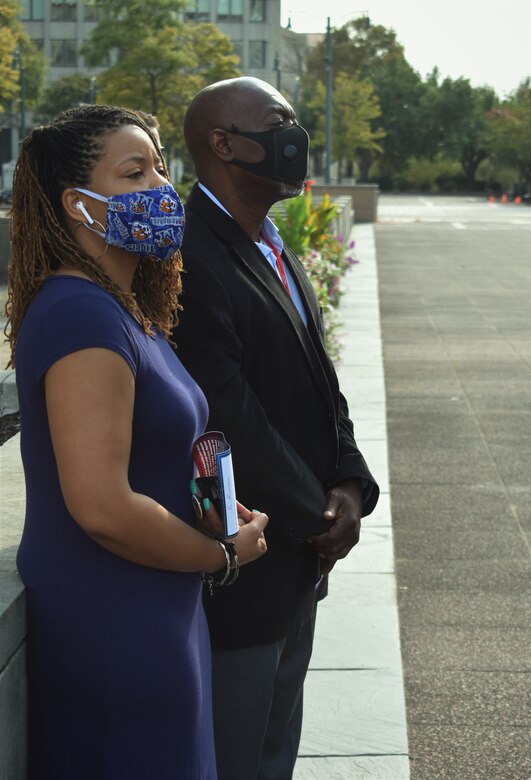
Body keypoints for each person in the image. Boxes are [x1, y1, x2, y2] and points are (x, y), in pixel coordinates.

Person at [5, 104, 268, 780]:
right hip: (114, 626)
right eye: (135, 172)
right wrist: (221, 556)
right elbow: (101, 506)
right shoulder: (80, 316)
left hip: (153, 612)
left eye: (159, 167)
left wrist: (207, 509)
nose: (161, 187)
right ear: (78, 204)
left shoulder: (121, 307)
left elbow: (143, 463)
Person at [173, 77, 380, 780]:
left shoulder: (271, 243)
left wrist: (349, 484)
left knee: (272, 754)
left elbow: (320, 384)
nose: (294, 136)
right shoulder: (188, 256)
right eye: (278, 123)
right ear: (224, 144)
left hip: (299, 556)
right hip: (252, 565)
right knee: (238, 757)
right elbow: (227, 414)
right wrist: (313, 515)